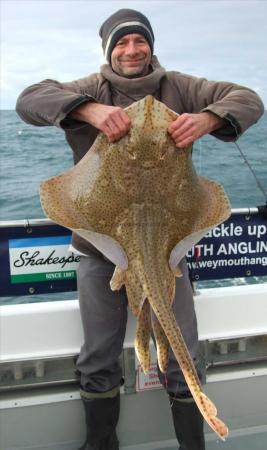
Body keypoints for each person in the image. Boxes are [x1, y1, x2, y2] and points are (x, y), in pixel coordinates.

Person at [16, 8, 264, 450]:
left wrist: (207, 119)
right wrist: (89, 111)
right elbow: (30, 99)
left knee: (182, 346)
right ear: (109, 50)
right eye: (121, 43)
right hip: (99, 248)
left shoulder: (184, 88)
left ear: (151, 45)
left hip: (168, 249)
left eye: (140, 41)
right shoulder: (89, 88)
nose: (132, 50)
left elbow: (247, 99)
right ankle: (100, 443)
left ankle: (192, 442)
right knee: (98, 354)